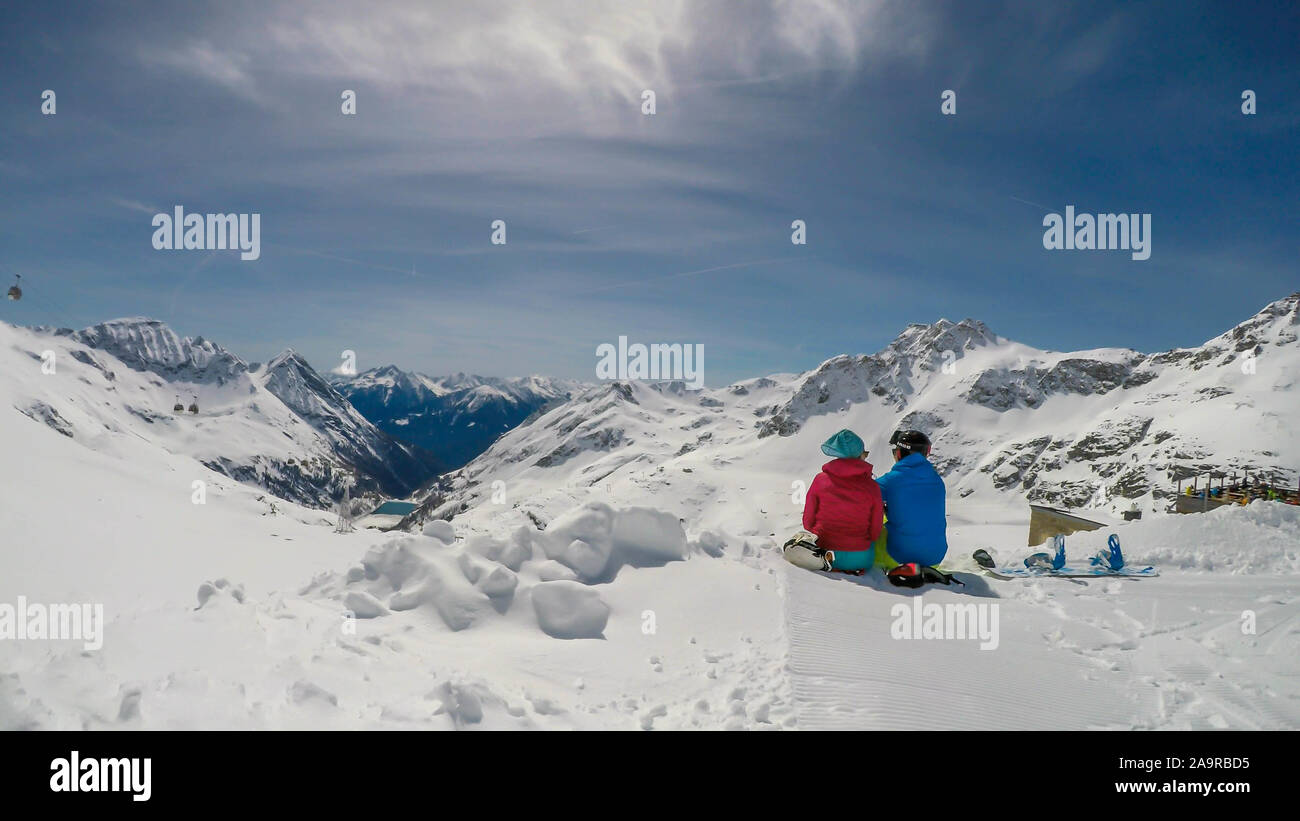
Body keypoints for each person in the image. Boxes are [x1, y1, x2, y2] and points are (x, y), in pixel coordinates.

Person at [787, 429, 883, 573]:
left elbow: (808, 520)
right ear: (859, 456)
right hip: (860, 558)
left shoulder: (821, 480)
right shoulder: (872, 487)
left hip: (822, 551)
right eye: (865, 454)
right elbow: (875, 530)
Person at [874, 429, 948, 567]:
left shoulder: (891, 480)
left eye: (895, 452)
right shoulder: (937, 480)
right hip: (934, 560)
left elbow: (861, 494)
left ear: (900, 453)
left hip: (899, 558)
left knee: (874, 526)